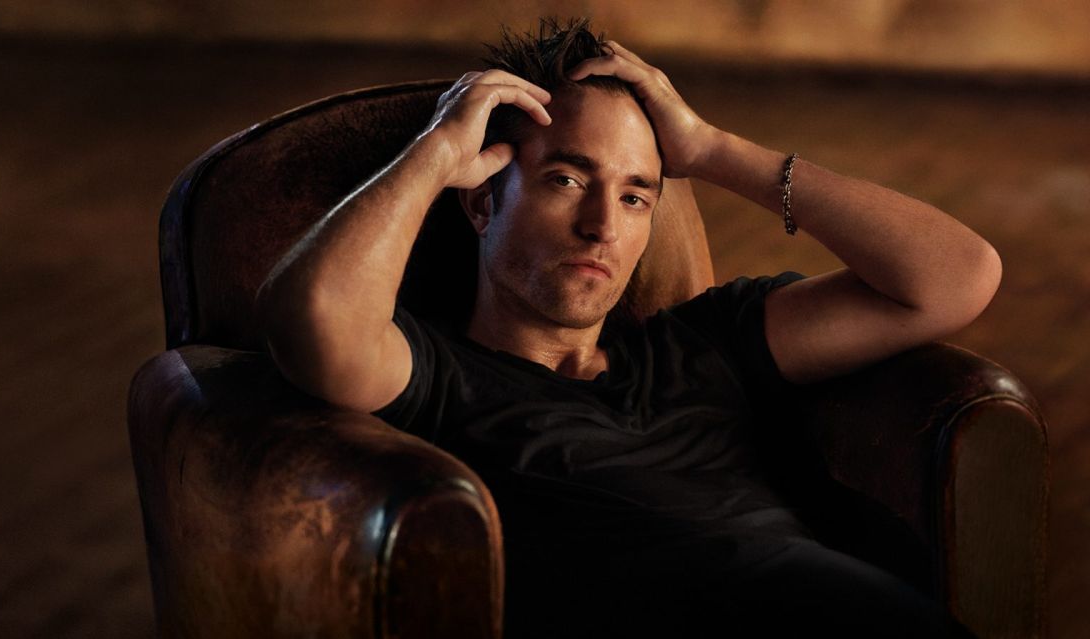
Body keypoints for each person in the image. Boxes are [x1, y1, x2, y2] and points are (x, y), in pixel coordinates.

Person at [257, 17, 995, 638]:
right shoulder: (436, 377)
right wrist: (435, 154)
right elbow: (312, 321)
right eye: (567, 179)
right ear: (482, 203)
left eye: (636, 196)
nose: (602, 226)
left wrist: (710, 149)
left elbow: (956, 277)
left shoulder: (707, 341)